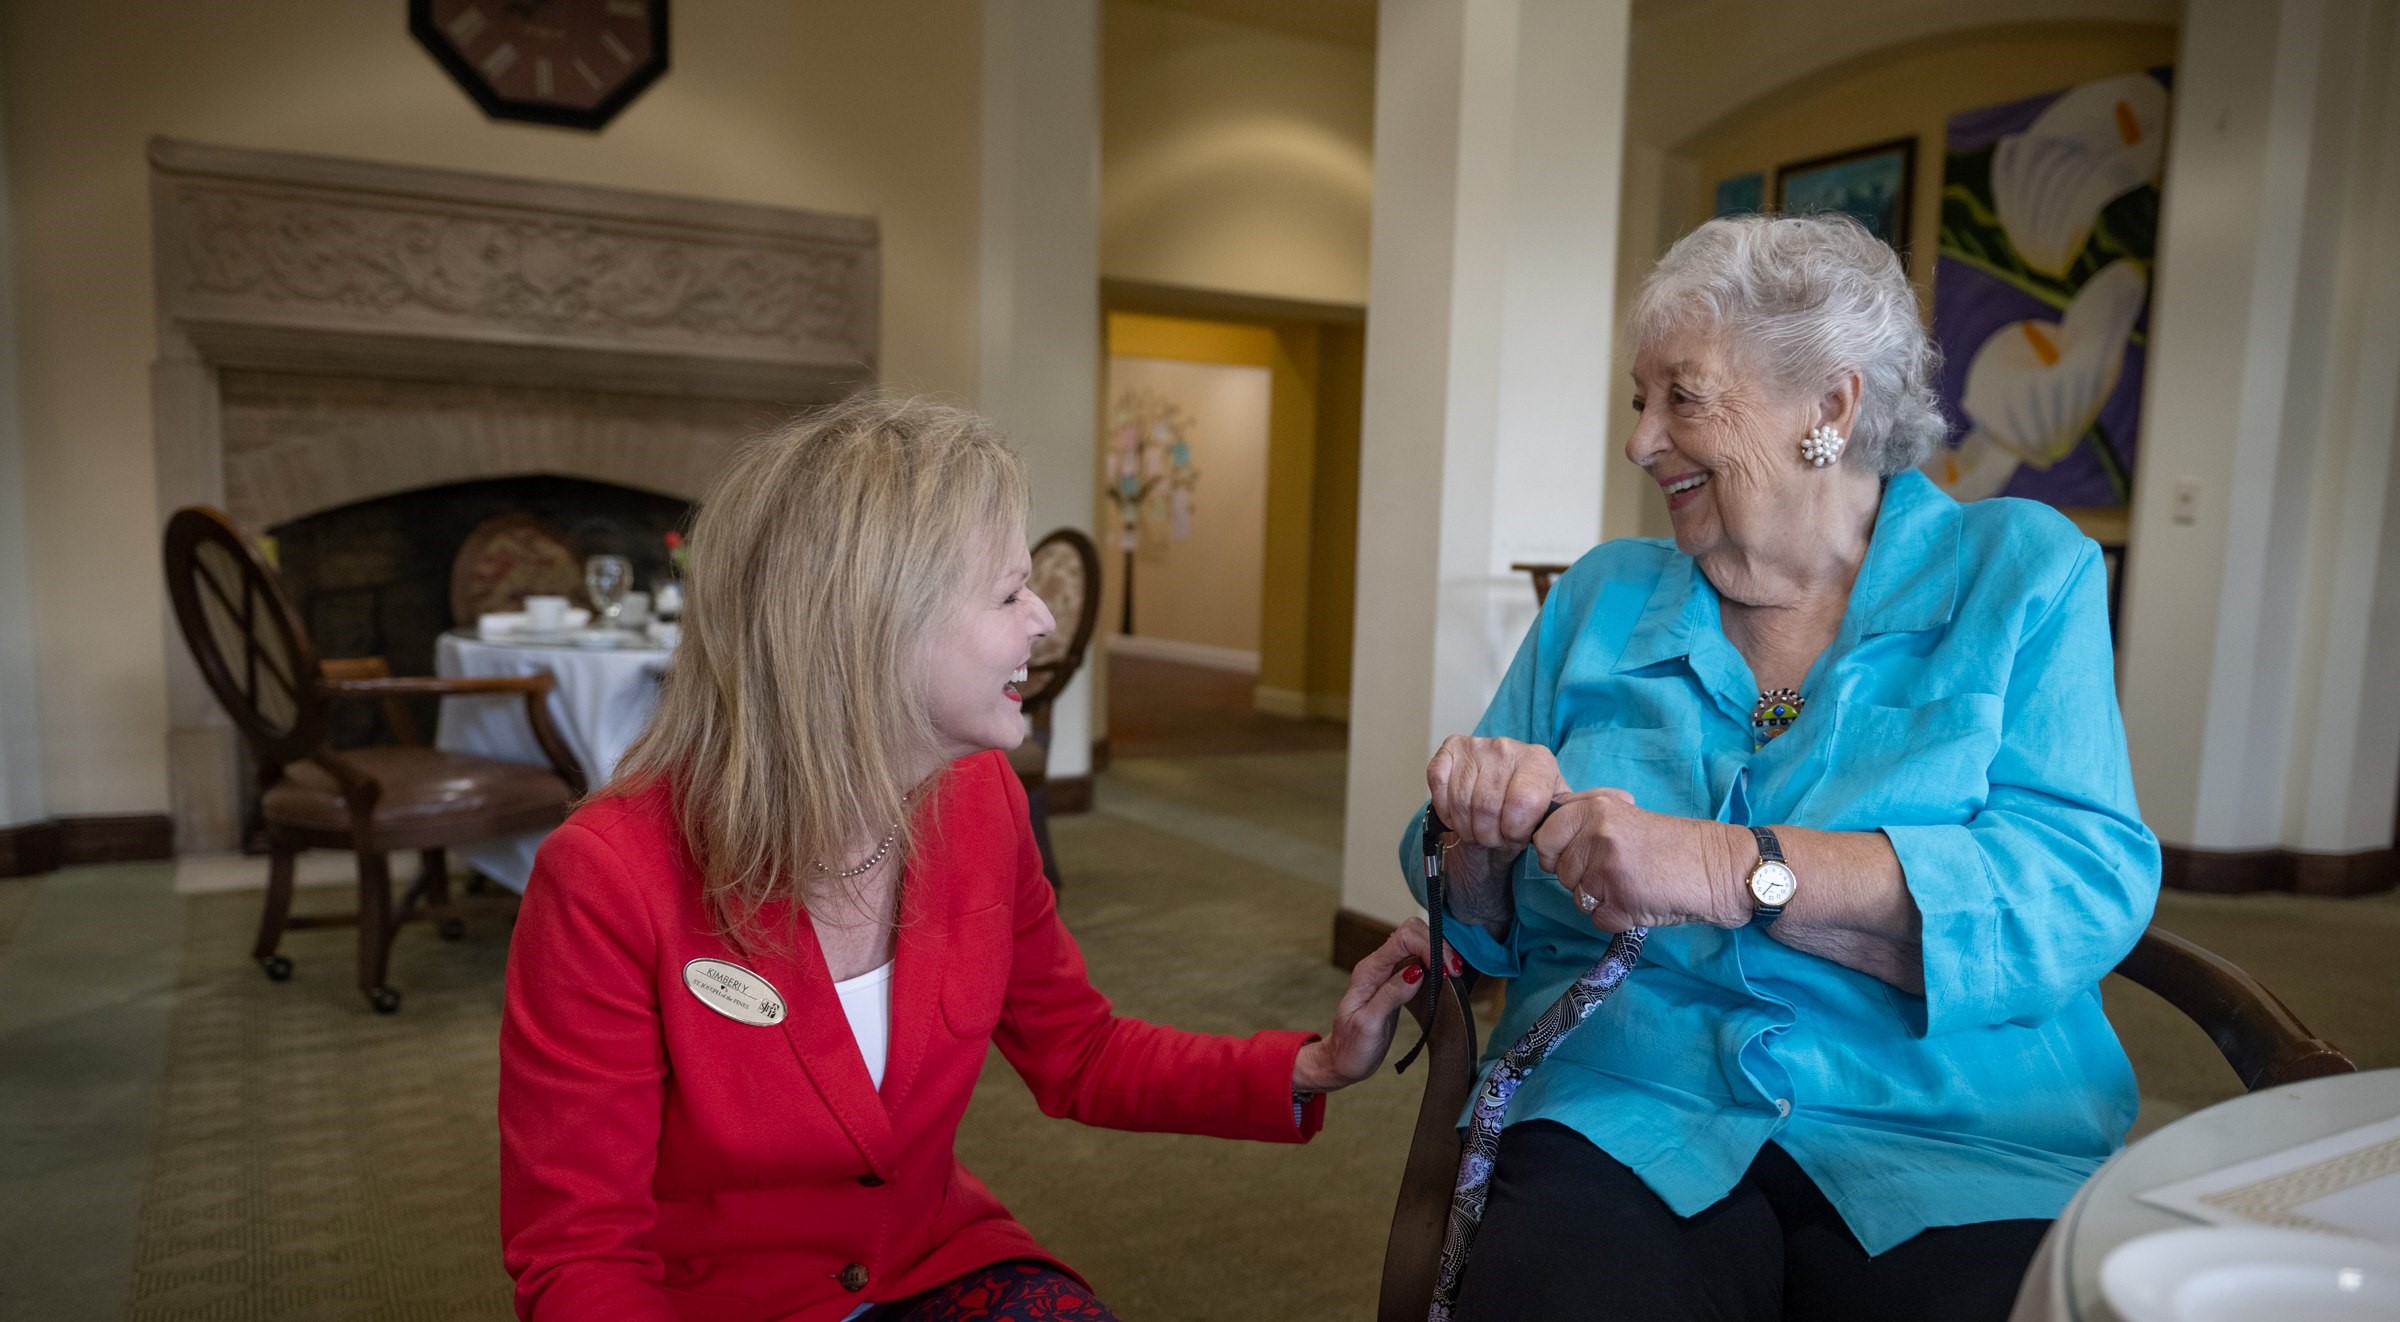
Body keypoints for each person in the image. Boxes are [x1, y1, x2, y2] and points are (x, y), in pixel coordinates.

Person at [500, 394, 1429, 1322]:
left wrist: (1312, 1065)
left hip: (927, 1262)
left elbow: (1078, 1053)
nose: (1044, 620)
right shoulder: (608, 876)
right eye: (1009, 593)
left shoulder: (983, 799)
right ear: (872, 627)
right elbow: (582, 1253)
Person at [1408, 213, 2159, 1322]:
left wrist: (1727, 868)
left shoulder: (2022, 573)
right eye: (1638, 399)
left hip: (1953, 1129)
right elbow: (1481, 926)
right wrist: (1479, 829)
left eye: (1683, 396)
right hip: (1627, 1103)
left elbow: (2078, 885)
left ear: (1831, 407)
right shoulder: (1602, 595)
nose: (1641, 441)